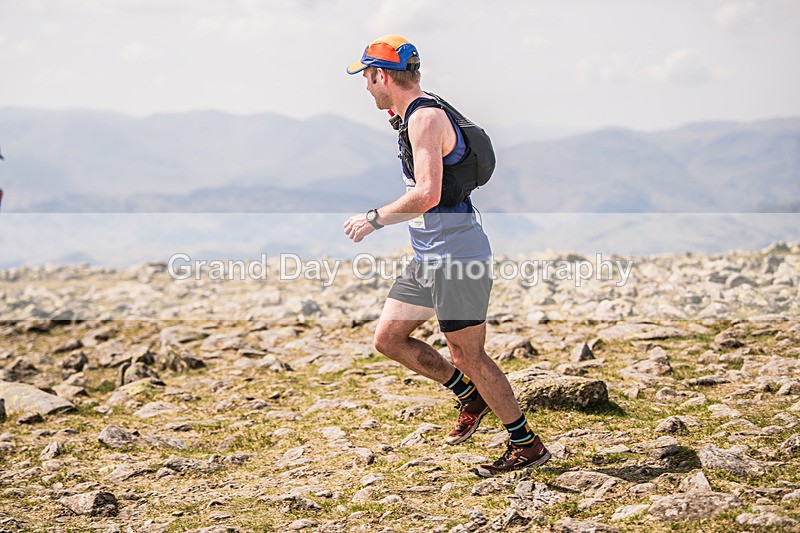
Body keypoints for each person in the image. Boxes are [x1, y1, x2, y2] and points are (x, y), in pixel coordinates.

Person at [343, 34, 550, 476]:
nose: (365, 88)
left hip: (456, 256)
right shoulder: (413, 115)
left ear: (381, 75)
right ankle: (467, 394)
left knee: (469, 356)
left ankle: (525, 443)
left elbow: (427, 195)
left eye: (366, 78)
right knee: (388, 339)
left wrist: (374, 218)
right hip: (429, 256)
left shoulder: (425, 118)